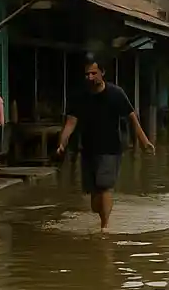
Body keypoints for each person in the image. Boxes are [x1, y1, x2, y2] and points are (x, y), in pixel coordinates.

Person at [54, 60, 153, 232]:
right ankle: (102, 218)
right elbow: (71, 123)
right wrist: (62, 143)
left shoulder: (116, 93)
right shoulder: (80, 96)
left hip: (111, 148)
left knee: (105, 186)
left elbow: (132, 118)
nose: (90, 77)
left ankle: (104, 228)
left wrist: (144, 141)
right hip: (88, 149)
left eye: (93, 73)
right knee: (94, 201)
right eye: (87, 74)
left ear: (102, 73)